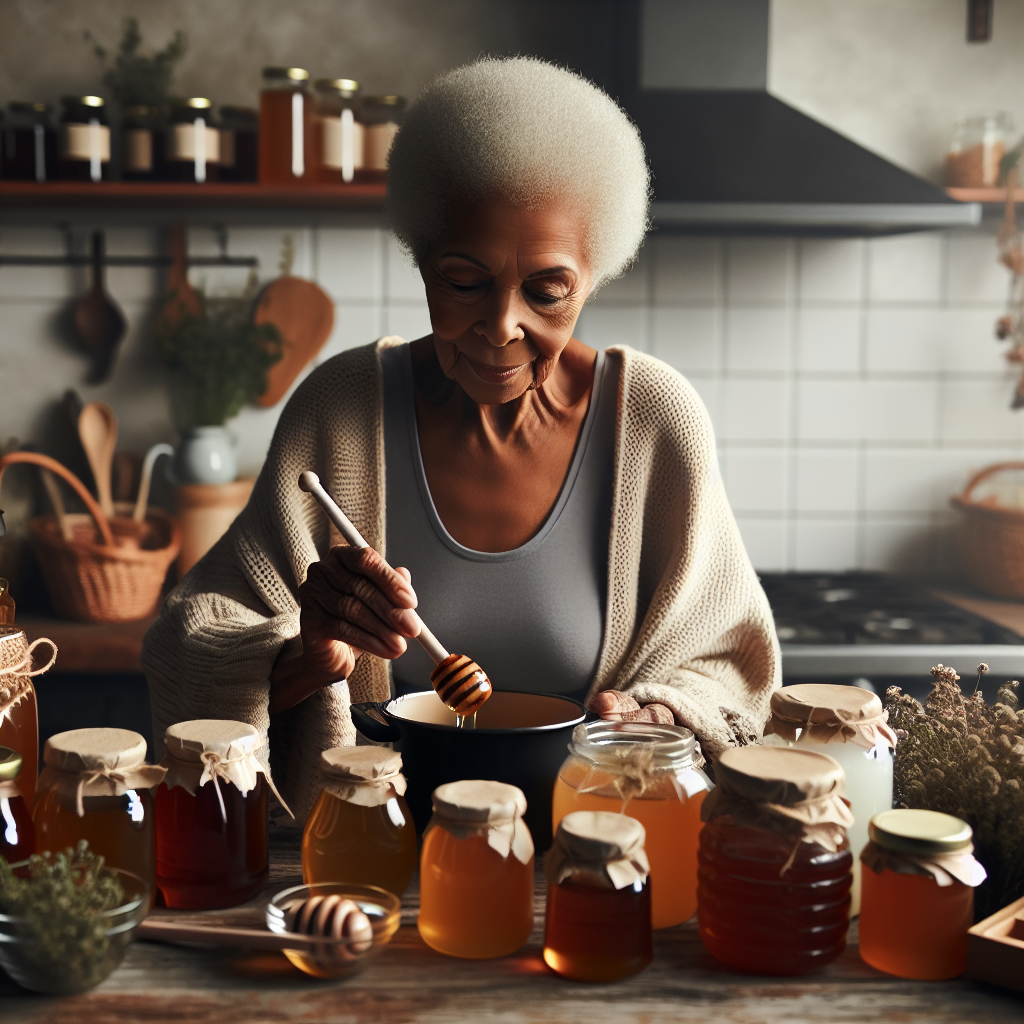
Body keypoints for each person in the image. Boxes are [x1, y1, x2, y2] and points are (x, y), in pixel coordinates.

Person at [143, 57, 780, 820]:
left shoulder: (653, 421)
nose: (502, 326)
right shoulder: (341, 410)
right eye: (464, 280)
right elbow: (190, 643)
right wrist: (308, 655)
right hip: (369, 857)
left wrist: (663, 715)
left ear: (597, 274)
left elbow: (728, 666)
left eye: (548, 290)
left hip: (590, 861)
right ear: (421, 260)